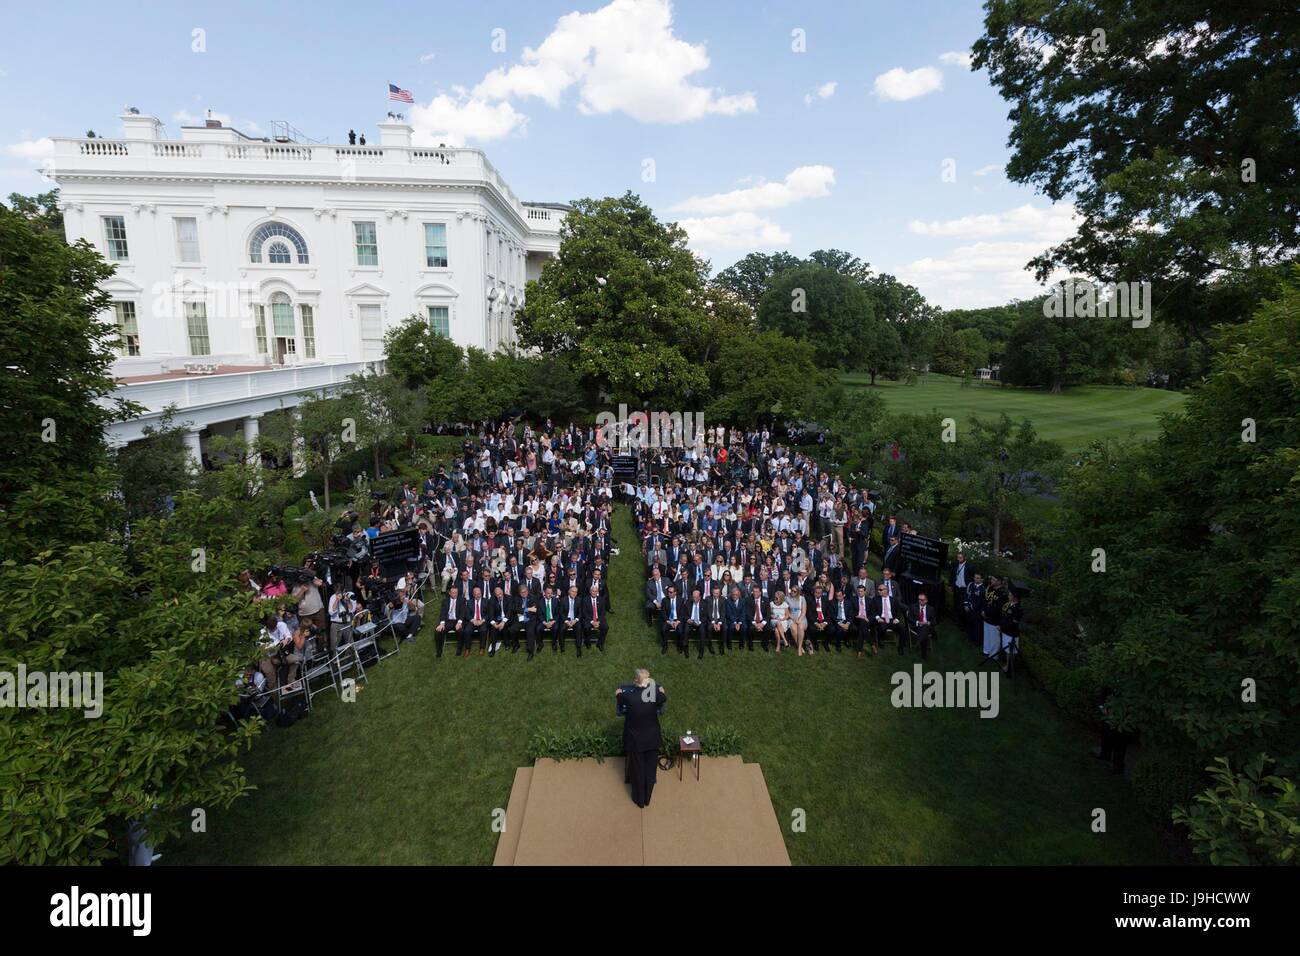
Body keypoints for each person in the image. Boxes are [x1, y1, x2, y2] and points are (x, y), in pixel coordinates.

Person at [616, 669, 667, 808]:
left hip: (635, 740)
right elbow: (663, 697)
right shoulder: (655, 696)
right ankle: (647, 798)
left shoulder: (629, 697)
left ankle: (638, 800)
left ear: (635, 682)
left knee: (637, 769)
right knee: (650, 769)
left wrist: (619, 692)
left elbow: (619, 697)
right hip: (652, 738)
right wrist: (661, 690)